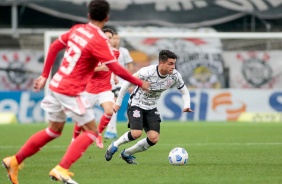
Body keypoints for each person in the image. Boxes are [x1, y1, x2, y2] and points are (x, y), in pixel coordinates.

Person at [2, 1, 149, 184]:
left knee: (53, 130)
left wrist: (44, 75)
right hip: (71, 90)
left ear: (88, 15)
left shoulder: (77, 29)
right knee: (91, 131)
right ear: (106, 18)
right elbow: (117, 70)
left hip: (56, 84)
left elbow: (55, 46)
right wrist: (139, 82)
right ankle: (61, 169)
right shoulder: (100, 41)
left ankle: (14, 161)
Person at [105, 49, 193, 164]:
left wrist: (186, 105)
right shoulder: (147, 72)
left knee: (153, 138)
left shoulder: (175, 75)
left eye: (174, 64)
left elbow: (185, 92)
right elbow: (127, 82)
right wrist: (118, 103)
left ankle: (126, 154)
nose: (173, 67)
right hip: (136, 103)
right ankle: (115, 145)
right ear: (161, 63)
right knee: (136, 133)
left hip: (151, 107)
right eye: (170, 64)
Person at [72, 28, 119, 148]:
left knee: (110, 110)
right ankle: (74, 140)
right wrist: (100, 68)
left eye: (110, 38)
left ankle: (98, 135)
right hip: (90, 90)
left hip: (105, 89)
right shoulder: (92, 52)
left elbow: (113, 66)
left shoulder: (115, 53)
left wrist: (114, 76)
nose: (108, 40)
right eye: (106, 37)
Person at [104, 32, 134, 139]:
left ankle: (111, 130)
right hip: (107, 82)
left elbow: (130, 65)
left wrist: (129, 79)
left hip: (120, 82)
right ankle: (111, 129)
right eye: (114, 38)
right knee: (112, 105)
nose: (116, 40)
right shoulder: (105, 51)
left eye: (118, 38)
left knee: (114, 103)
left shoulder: (124, 51)